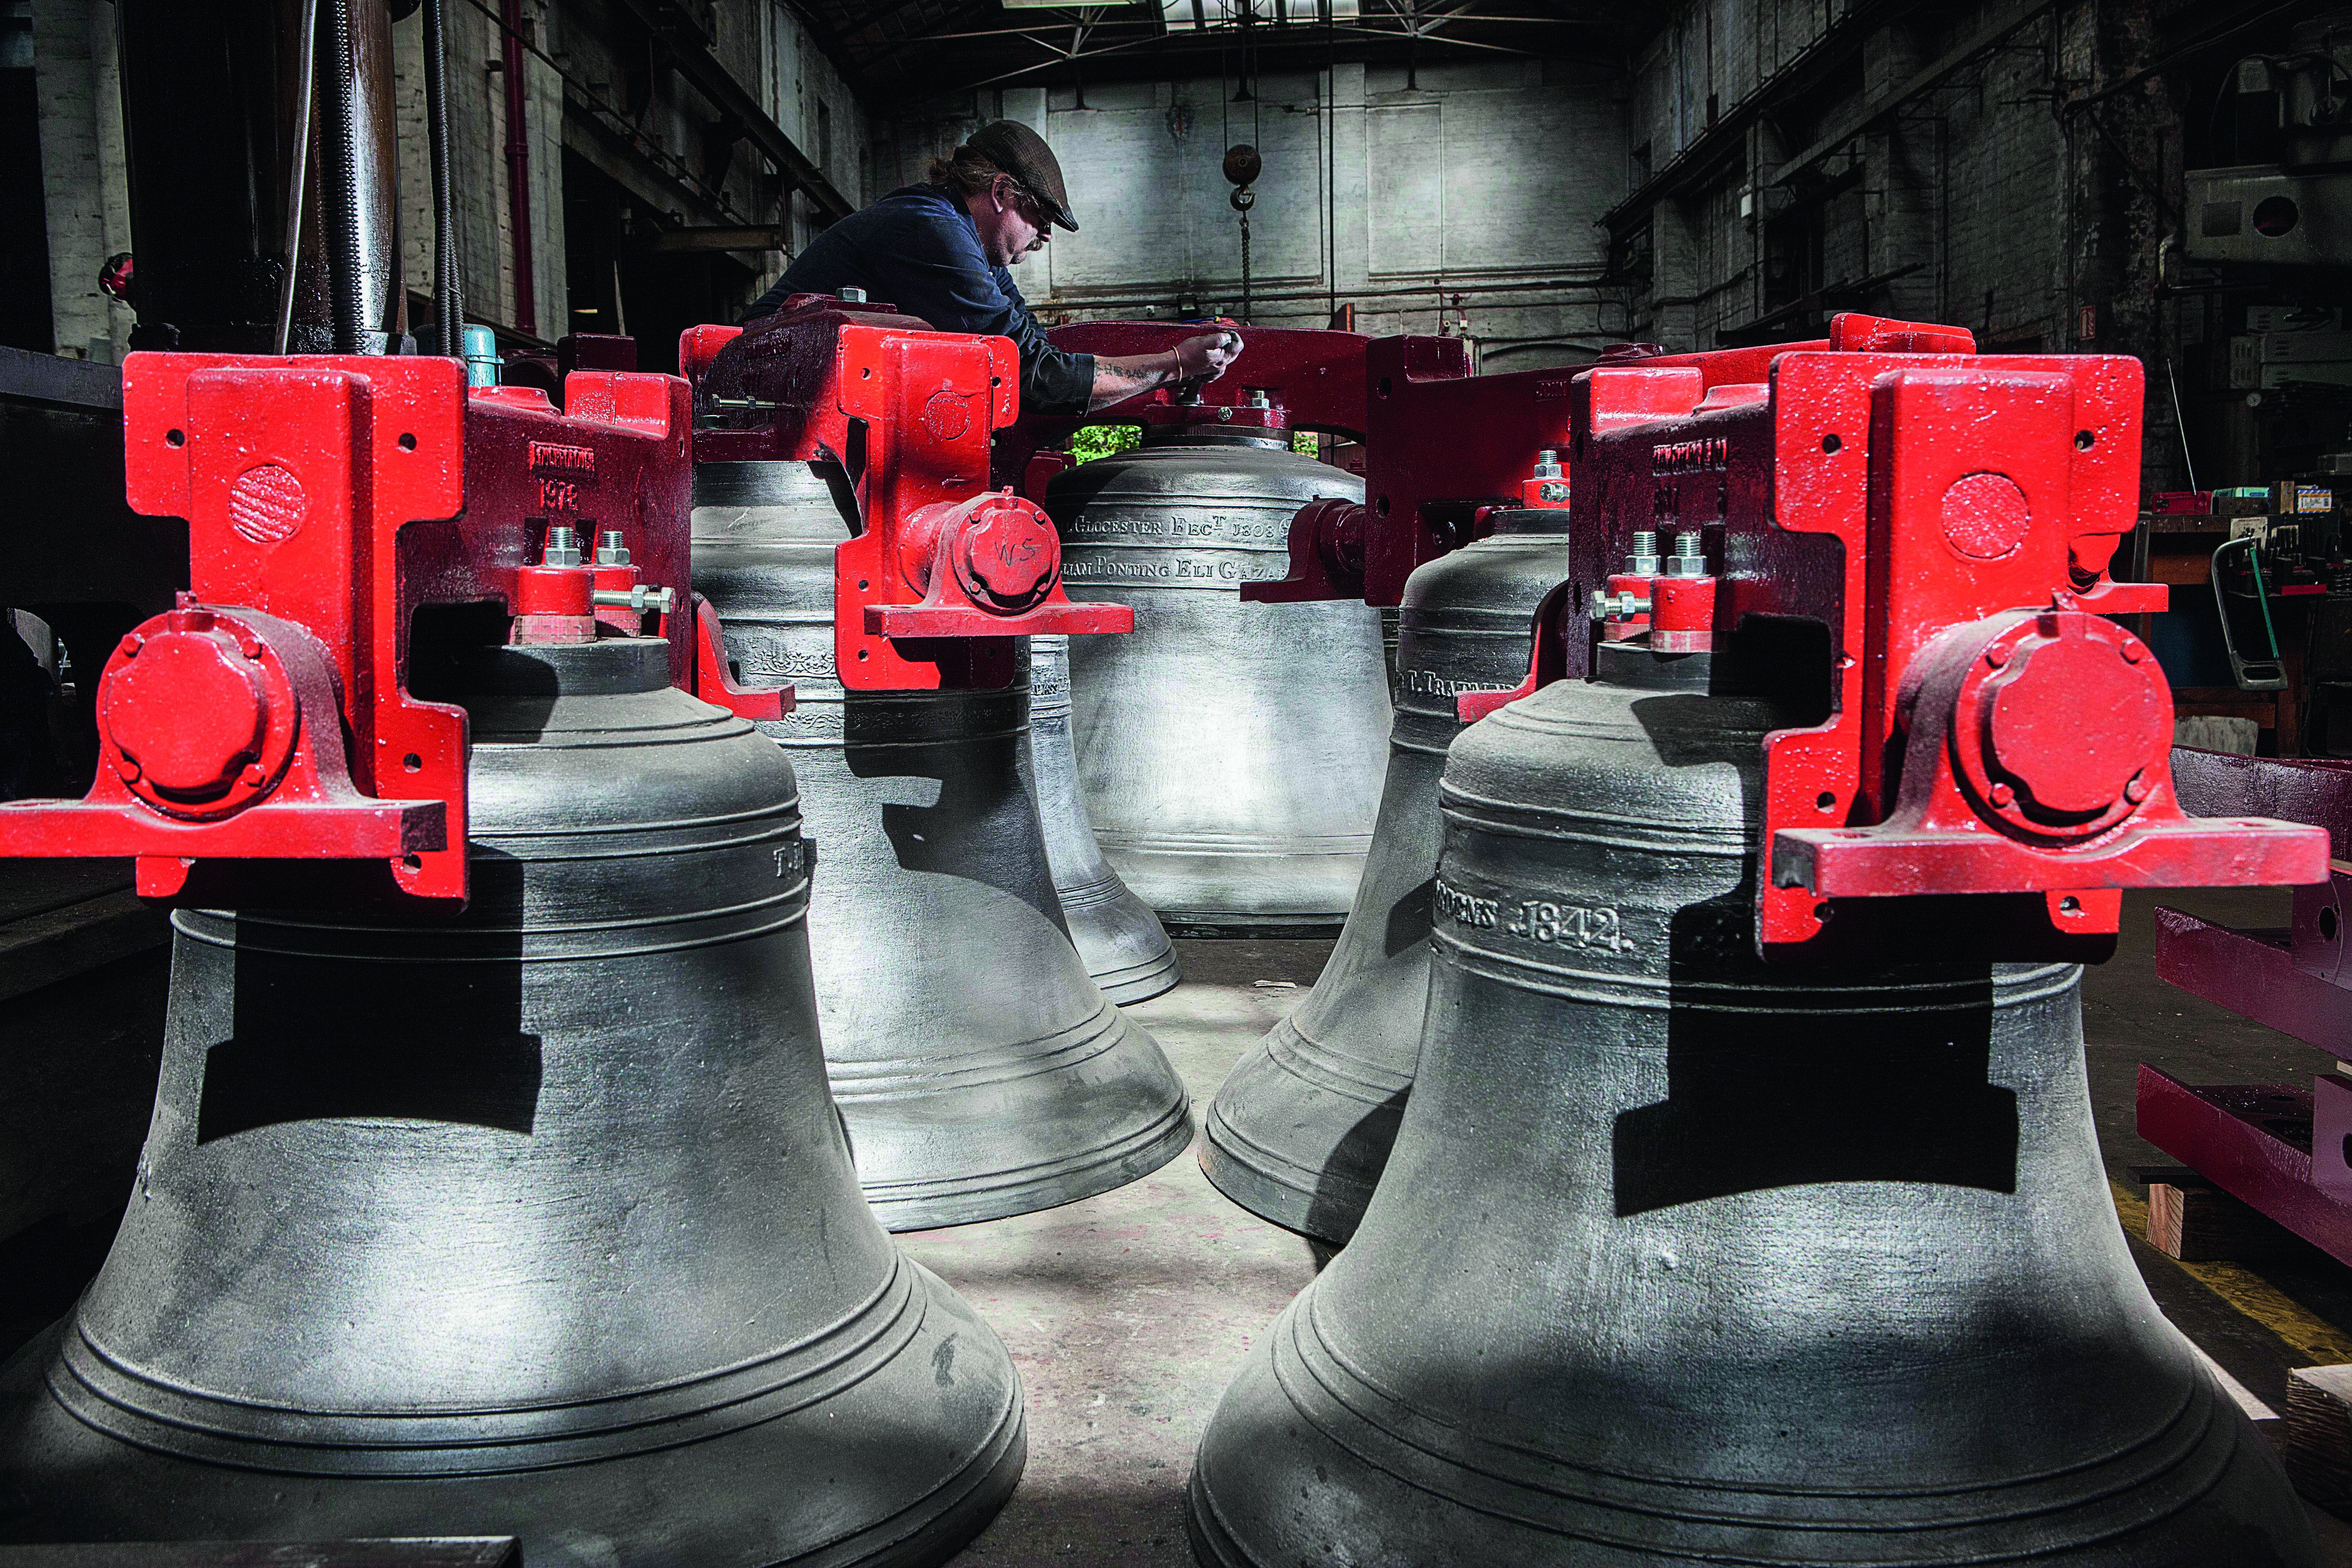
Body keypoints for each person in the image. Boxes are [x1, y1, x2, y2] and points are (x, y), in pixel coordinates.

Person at [742, 121, 1240, 416]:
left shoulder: (972, 244)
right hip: (755, 389)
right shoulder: (931, 230)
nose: (1045, 237)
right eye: (1039, 219)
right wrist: (1173, 364)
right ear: (1001, 193)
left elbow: (1035, 351)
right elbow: (1031, 377)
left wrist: (1167, 360)